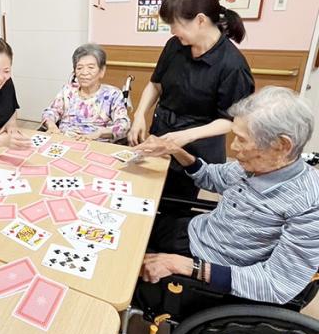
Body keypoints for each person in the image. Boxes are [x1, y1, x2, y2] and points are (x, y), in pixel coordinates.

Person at [133, 87, 319, 314]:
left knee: (121, 267)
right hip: (197, 233)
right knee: (127, 229)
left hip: (211, 274)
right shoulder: (254, 165)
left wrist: (183, 265)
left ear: (281, 145)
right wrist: (175, 150)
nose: (233, 147)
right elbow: (212, 177)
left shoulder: (309, 203)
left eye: (242, 140)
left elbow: (277, 284)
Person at [128, 0, 255, 203]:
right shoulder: (175, 45)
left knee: (177, 206)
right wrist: (139, 115)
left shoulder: (232, 65)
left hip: (198, 145)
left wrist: (187, 136)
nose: (173, 31)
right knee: (147, 194)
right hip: (163, 130)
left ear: (200, 20)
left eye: (176, 24)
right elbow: (155, 84)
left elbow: (231, 120)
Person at [41, 43, 130, 142]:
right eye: (79, 68)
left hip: (96, 143)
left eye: (90, 67)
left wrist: (99, 133)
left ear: (102, 71)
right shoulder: (67, 91)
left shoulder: (113, 94)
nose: (84, 72)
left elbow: (123, 125)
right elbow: (50, 112)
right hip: (65, 141)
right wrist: (52, 126)